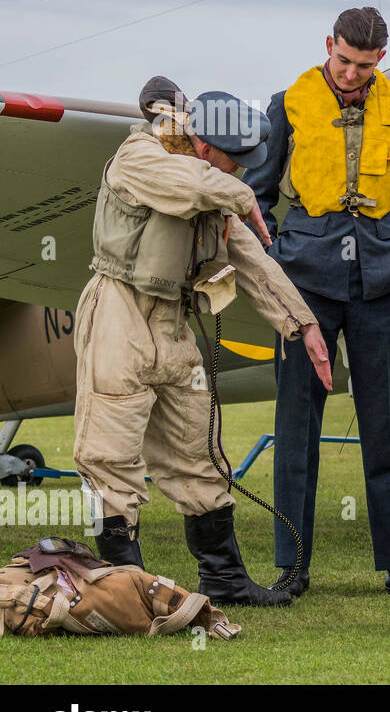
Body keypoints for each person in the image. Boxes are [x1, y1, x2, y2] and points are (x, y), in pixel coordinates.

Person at [77, 77, 333, 607]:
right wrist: (241, 196)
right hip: (118, 316)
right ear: (205, 146)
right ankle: (125, 590)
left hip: (173, 321)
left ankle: (225, 579)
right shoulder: (139, 157)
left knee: (199, 451)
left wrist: (303, 325)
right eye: (236, 159)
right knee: (111, 455)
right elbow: (191, 184)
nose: (243, 169)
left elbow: (254, 263)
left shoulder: (215, 189)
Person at [245, 7, 390, 601]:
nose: (352, 75)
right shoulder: (289, 103)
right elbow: (257, 194)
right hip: (307, 282)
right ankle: (292, 566)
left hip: (379, 281)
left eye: (364, 65)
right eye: (343, 61)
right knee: (295, 423)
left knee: (387, 423)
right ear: (328, 45)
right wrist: (280, 263)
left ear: (380, 60)